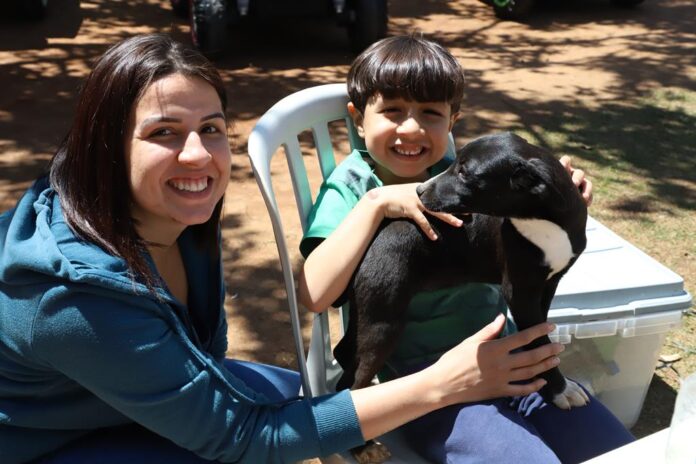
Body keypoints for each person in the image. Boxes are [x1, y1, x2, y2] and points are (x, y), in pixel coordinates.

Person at [0, 33, 569, 464]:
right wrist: (442, 383)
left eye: (212, 128)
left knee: (299, 400)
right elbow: (243, 437)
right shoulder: (70, 298)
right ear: (103, 147)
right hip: (45, 442)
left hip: (116, 398)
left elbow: (210, 357)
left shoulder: (173, 219)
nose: (198, 156)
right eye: (163, 133)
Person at [298, 34, 635, 463]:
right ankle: (348, 429)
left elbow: (526, 199)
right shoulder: (352, 190)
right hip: (430, 387)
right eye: (393, 111)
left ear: (453, 120)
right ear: (358, 120)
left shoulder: (468, 177)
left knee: (621, 452)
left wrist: (559, 192)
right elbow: (313, 295)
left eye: (431, 114)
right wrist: (378, 203)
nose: (412, 128)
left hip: (508, 360)